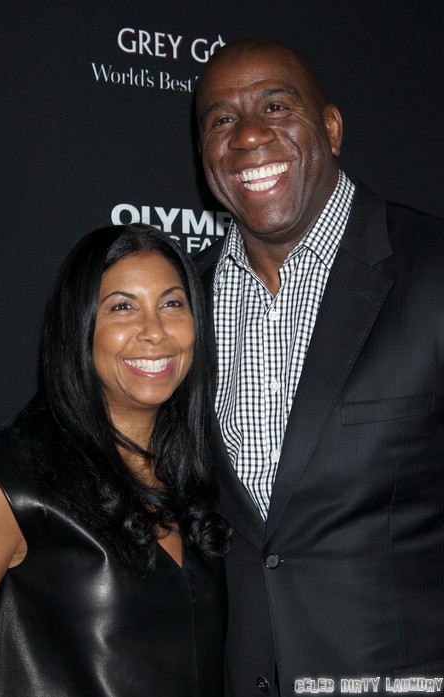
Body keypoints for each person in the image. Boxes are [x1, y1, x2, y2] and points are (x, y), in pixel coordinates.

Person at [192, 38, 444, 695]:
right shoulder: (181, 302)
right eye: (221, 119)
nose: (248, 135)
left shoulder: (432, 266)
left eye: (276, 107)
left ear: (331, 128)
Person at [0, 223, 230, 696]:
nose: (154, 331)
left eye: (172, 304)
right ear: (80, 326)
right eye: (122, 307)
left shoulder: (201, 478)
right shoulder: (4, 483)